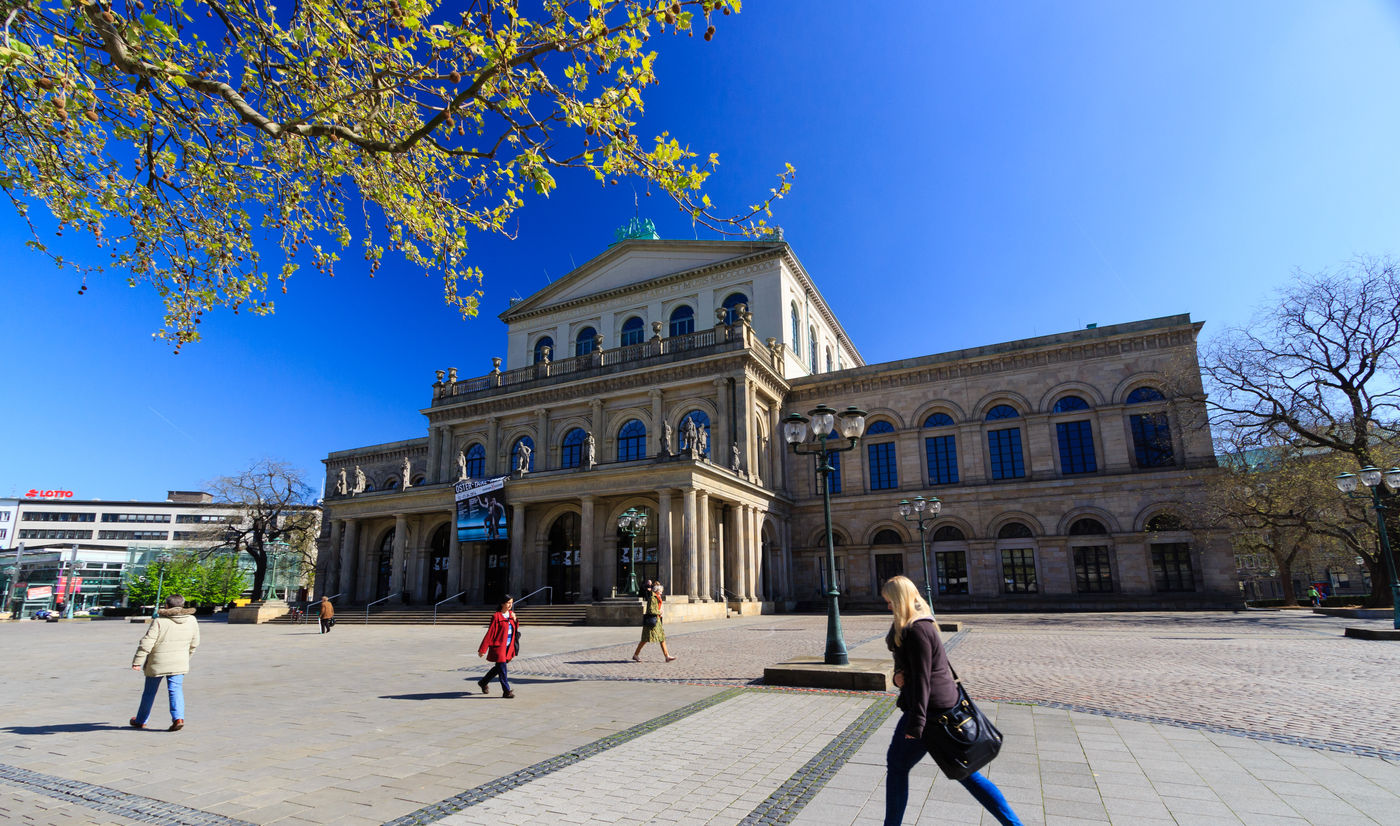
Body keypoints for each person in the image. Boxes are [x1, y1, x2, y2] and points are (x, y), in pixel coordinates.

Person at [882, 575, 1021, 826]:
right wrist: (898, 678)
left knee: (899, 767)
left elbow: (924, 679)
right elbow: (915, 671)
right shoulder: (916, 624)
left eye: (890, 601)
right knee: (966, 773)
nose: (887, 606)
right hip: (936, 709)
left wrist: (916, 725)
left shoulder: (917, 629)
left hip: (929, 714)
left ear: (899, 599)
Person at [129, 594, 200, 732]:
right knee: (176, 690)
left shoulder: (160, 621)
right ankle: (178, 718)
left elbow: (146, 643)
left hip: (157, 663)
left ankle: (140, 720)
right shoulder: (192, 620)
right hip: (180, 662)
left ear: (167, 605)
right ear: (182, 605)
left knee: (149, 692)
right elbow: (194, 643)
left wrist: (137, 661)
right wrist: (186, 658)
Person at [476, 595, 520, 698]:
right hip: (499, 647)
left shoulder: (511, 615)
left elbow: (515, 628)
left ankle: (483, 682)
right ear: (502, 603)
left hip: (509, 647)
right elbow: (490, 633)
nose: (510, 605)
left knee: (498, 668)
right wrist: (483, 649)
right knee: (502, 669)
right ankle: (506, 691)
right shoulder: (496, 616)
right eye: (508, 603)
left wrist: (515, 619)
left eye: (511, 602)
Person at [632, 582, 677, 662]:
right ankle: (636, 655)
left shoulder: (657, 598)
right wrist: (659, 612)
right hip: (652, 622)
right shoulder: (652, 598)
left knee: (662, 638)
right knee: (645, 639)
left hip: (657, 621)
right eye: (660, 591)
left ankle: (667, 656)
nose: (662, 592)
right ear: (656, 591)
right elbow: (650, 610)